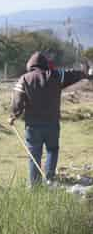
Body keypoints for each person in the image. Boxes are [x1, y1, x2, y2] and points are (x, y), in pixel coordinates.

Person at [9, 51, 89, 186]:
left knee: (34, 155)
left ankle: (35, 186)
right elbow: (72, 74)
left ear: (30, 65)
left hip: (32, 126)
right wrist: (84, 73)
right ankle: (49, 179)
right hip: (52, 124)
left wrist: (13, 116)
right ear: (45, 64)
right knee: (52, 150)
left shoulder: (24, 79)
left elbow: (17, 102)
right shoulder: (56, 76)